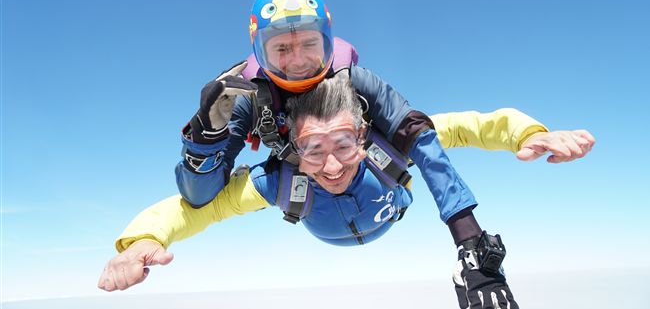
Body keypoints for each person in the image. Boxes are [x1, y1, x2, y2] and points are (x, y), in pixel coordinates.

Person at [175, 0, 594, 244]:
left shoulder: (356, 87)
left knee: (398, 148)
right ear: (259, 52)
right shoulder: (249, 106)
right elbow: (202, 202)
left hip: (352, 193)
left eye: (309, 44)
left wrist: (529, 133)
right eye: (281, 49)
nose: (299, 62)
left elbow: (436, 131)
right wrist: (207, 135)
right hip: (318, 190)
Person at [99, 75, 593, 308]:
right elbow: (195, 210)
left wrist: (529, 134)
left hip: (373, 212)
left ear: (362, 135)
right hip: (358, 219)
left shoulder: (388, 148)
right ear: (292, 149)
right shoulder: (282, 181)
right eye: (312, 150)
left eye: (343, 144)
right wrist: (142, 240)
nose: (331, 165)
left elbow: (471, 125)